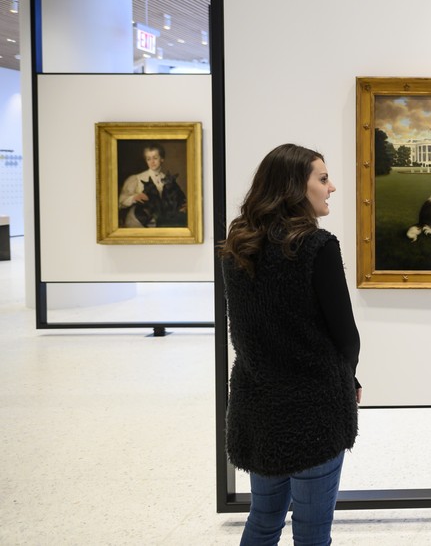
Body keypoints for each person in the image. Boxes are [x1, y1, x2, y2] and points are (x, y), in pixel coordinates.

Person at [218, 143, 362, 546]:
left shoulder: (238, 246)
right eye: (323, 178)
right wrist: (348, 379)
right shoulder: (317, 246)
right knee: (312, 533)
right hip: (313, 409)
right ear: (295, 188)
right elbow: (346, 336)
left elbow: (248, 331)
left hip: (259, 406)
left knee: (263, 520)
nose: (331, 187)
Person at [117, 142, 187, 227]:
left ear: (162, 159)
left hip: (162, 222)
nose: (152, 162)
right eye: (148, 159)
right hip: (138, 221)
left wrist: (184, 206)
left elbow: (177, 199)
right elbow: (120, 201)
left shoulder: (169, 180)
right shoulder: (136, 178)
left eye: (155, 158)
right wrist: (134, 197)